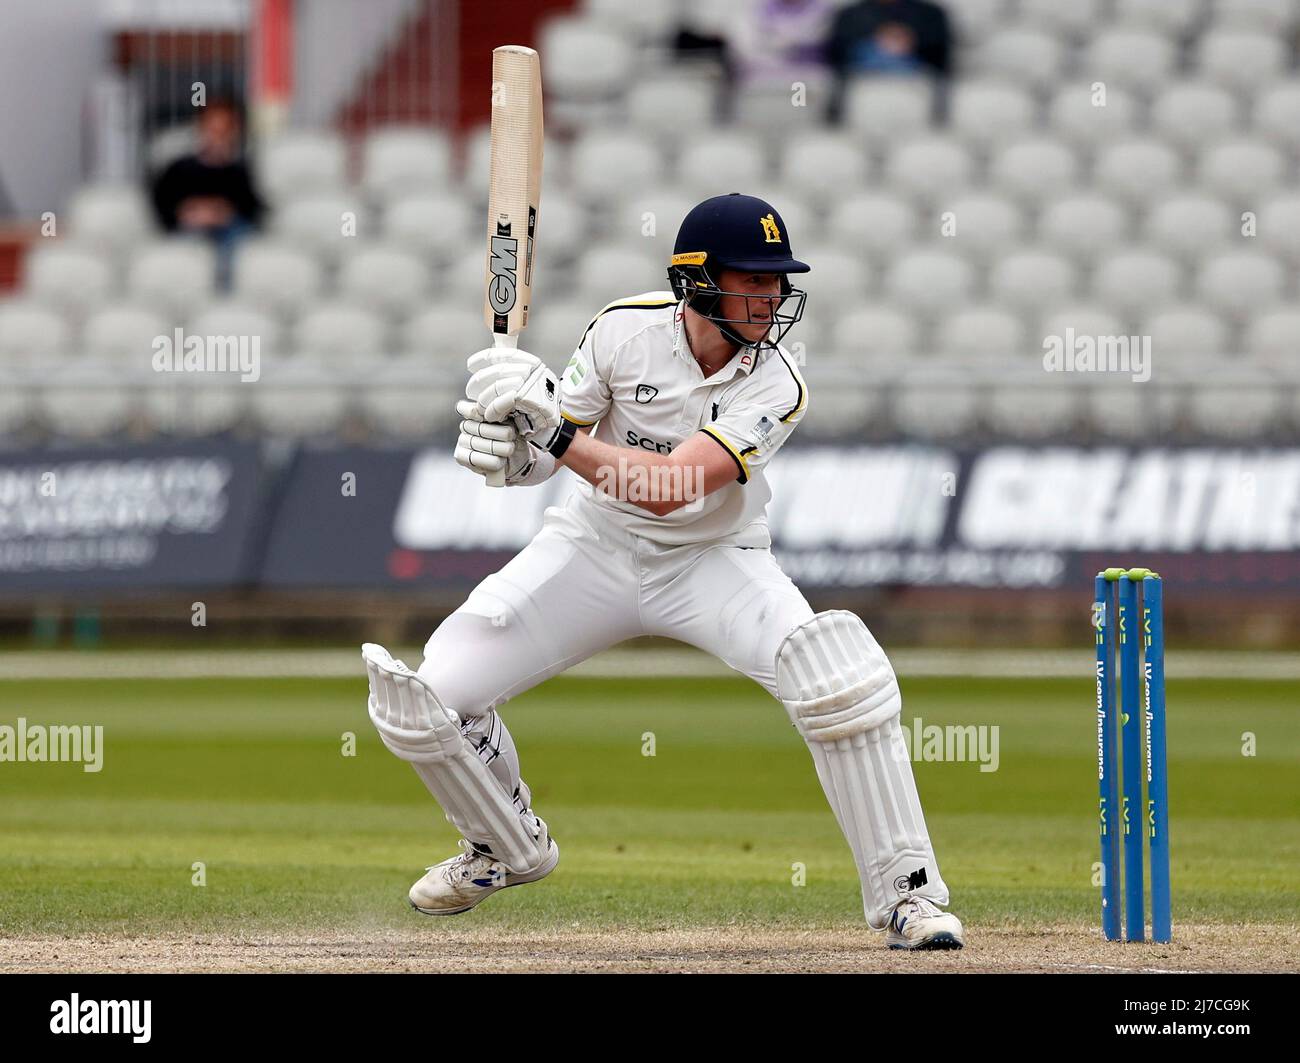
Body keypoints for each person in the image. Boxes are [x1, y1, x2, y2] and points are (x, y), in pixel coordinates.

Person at [361, 193, 965, 950]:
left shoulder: (779, 381)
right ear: (698, 281)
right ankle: (504, 845)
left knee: (839, 677)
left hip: (715, 559)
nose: (773, 296)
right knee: (426, 698)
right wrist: (507, 442)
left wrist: (550, 432)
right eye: (754, 279)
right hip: (593, 544)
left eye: (779, 280)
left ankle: (909, 895)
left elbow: (674, 485)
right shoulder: (622, 331)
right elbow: (545, 459)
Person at [150, 100, 265, 290]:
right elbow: (162, 204)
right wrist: (187, 212)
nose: (217, 136)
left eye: (224, 130)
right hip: (188, 230)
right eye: (212, 129)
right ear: (200, 129)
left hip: (230, 233)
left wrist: (224, 213)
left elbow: (253, 209)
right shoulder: (179, 168)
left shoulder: (239, 170)